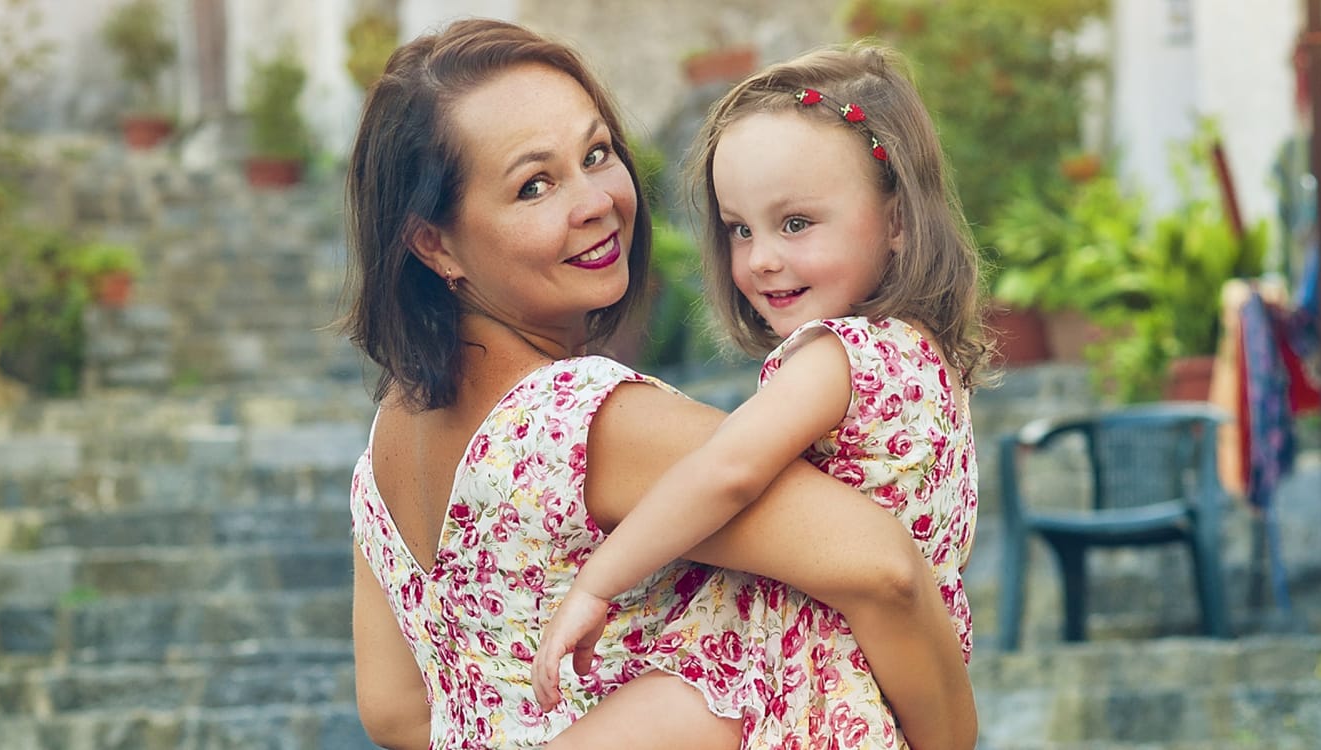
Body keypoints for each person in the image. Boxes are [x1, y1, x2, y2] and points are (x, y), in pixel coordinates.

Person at [339, 18, 977, 750]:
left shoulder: (387, 442)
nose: (596, 201)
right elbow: (885, 569)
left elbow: (394, 710)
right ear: (435, 243)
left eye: (598, 153)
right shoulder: (579, 421)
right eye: (534, 185)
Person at [534, 42, 986, 749]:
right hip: (877, 701)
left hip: (810, 688)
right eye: (740, 229)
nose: (762, 257)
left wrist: (597, 583)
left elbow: (726, 472)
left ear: (897, 221)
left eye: (796, 223)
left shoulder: (837, 357)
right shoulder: (927, 362)